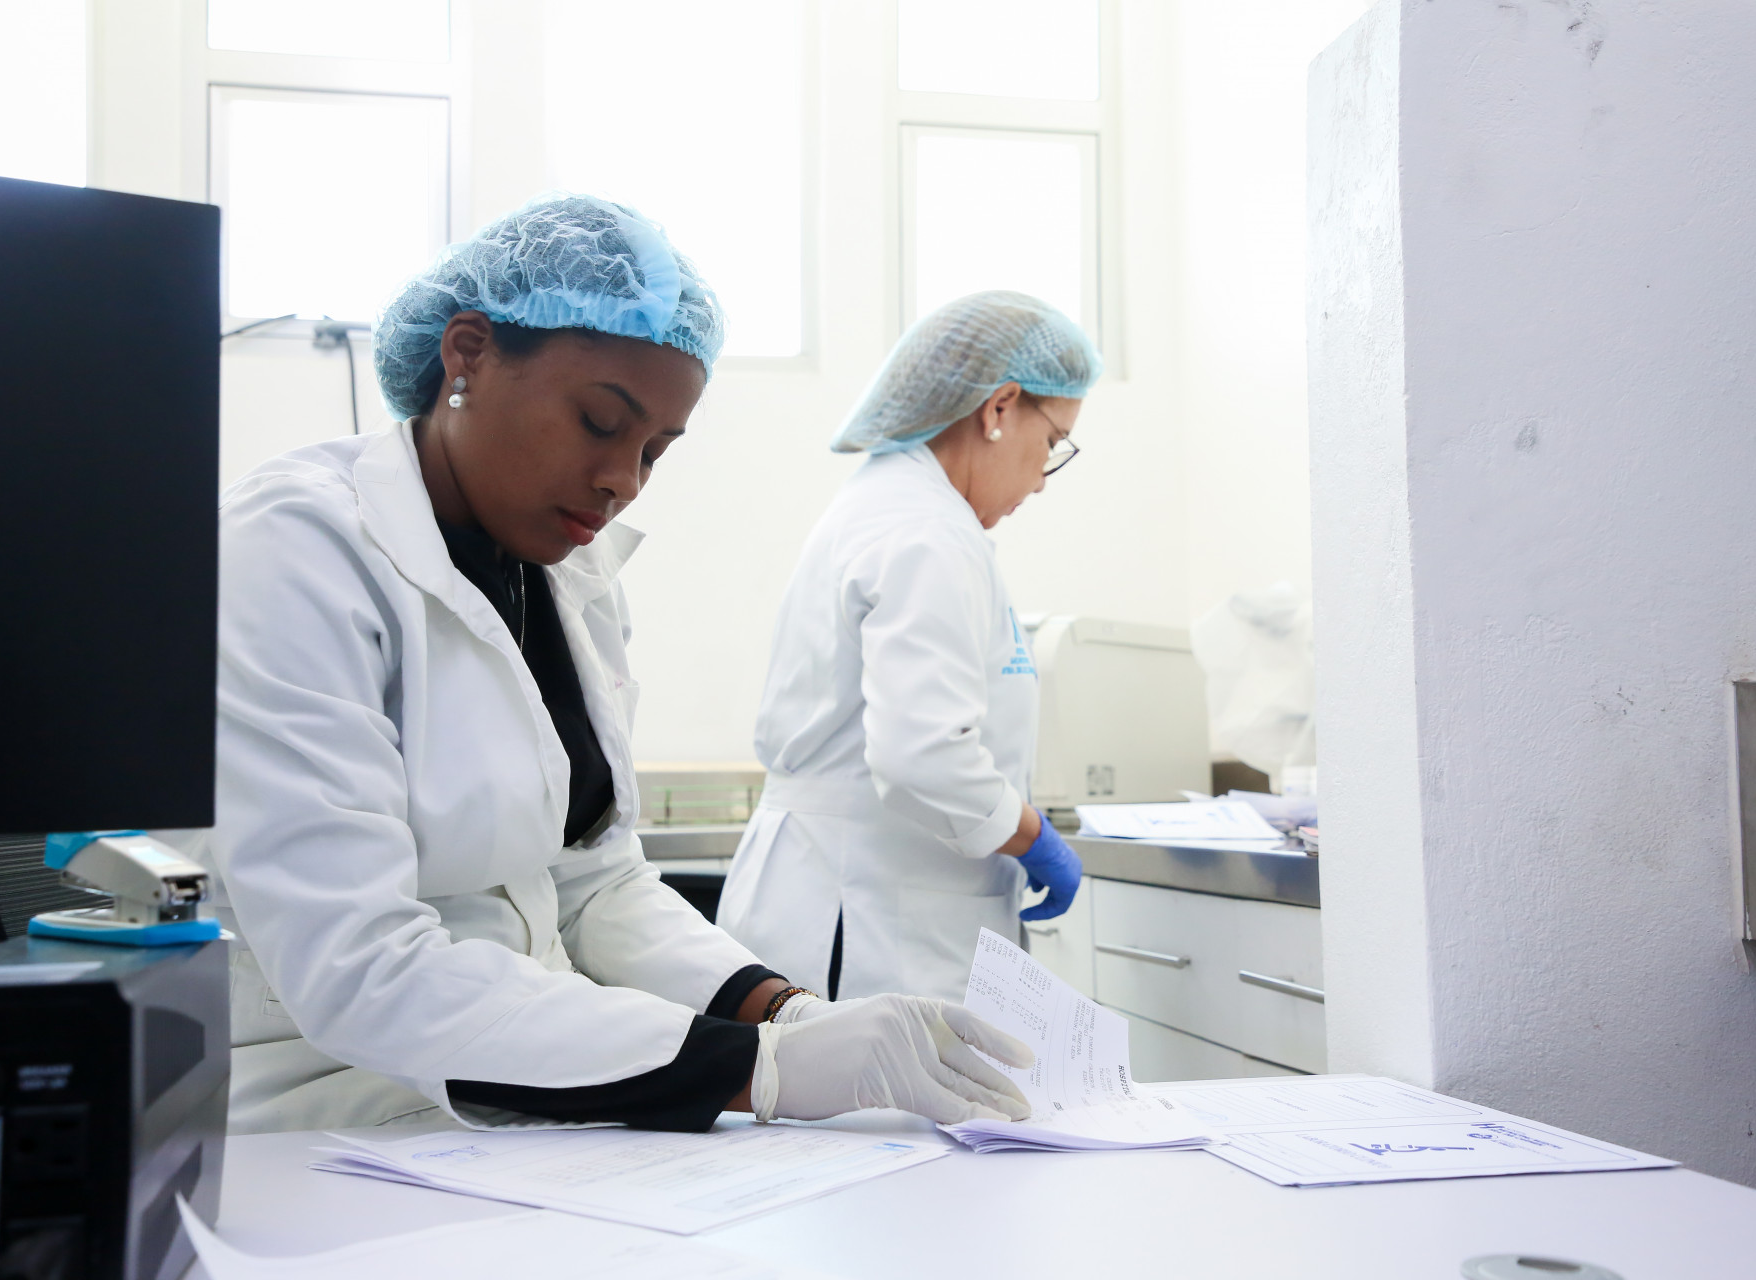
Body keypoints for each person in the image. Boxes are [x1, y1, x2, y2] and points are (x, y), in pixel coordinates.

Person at [168, 196, 1032, 1136]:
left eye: (655, 450)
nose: (624, 479)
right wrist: (761, 1068)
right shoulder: (294, 550)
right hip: (320, 1108)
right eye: (598, 421)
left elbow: (595, 885)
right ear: (466, 355)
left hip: (518, 1095)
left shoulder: (567, 575)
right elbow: (360, 969)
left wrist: (787, 1013)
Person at [716, 291, 1101, 1002]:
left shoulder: (899, 509)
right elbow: (924, 753)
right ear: (999, 407)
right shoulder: (926, 532)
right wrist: (1032, 836)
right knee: (873, 1077)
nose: (1042, 481)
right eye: (1052, 443)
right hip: (864, 917)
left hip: (858, 897)